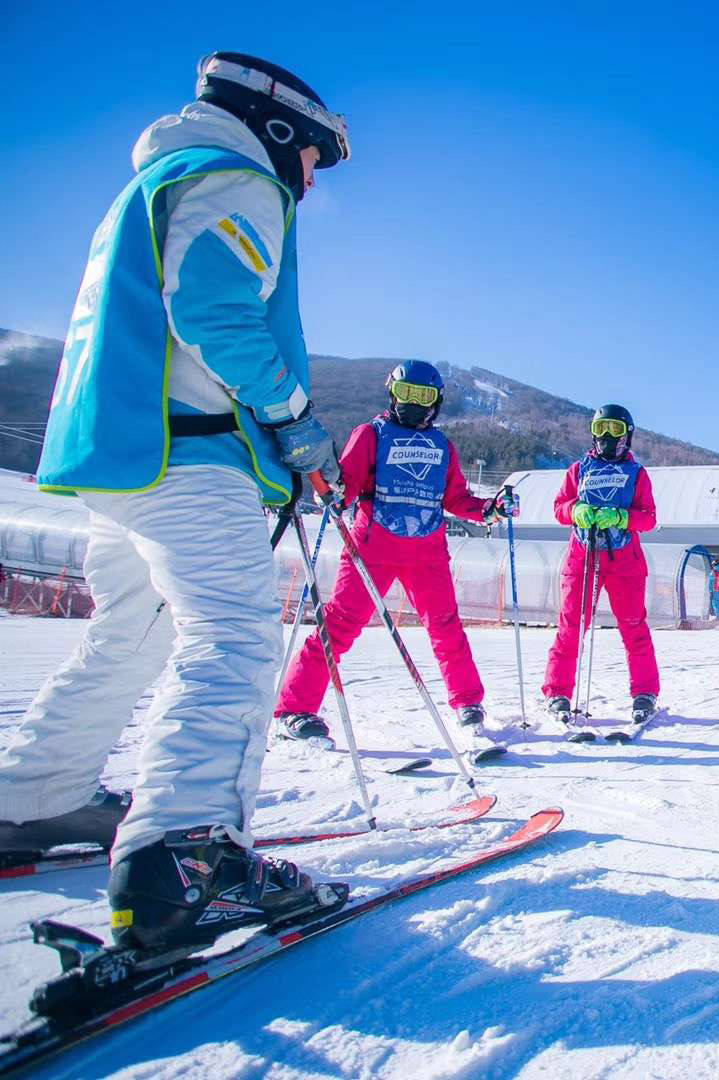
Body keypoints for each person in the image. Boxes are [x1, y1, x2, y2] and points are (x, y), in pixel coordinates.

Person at [0, 54, 351, 952]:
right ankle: (186, 860)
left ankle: (37, 795)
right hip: (187, 453)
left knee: (134, 631)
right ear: (279, 130)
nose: (311, 180)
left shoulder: (153, 184)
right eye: (314, 157)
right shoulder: (236, 179)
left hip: (118, 458)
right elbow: (215, 312)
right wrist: (294, 418)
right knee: (233, 631)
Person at [276, 362, 515, 740]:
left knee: (446, 627)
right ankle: (296, 707)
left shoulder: (442, 446)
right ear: (392, 393)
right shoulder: (371, 434)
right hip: (373, 550)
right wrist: (334, 491)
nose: (414, 404)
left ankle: (468, 702)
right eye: (407, 394)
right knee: (339, 624)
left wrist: (489, 509)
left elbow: (455, 498)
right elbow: (347, 484)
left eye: (423, 397)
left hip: (428, 554)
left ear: (437, 402)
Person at [542, 405, 661, 723]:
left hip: (625, 562)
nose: (608, 437)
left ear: (627, 435)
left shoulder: (637, 474)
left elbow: (649, 518)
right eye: (602, 429)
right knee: (570, 628)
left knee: (633, 628)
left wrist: (621, 517)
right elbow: (558, 507)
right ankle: (558, 693)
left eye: (616, 430)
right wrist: (575, 510)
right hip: (582, 558)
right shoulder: (578, 470)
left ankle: (644, 692)